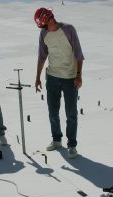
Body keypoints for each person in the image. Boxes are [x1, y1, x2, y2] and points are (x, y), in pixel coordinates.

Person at [34, 8, 84, 159]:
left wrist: (78, 75)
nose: (45, 26)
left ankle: (72, 146)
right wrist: (37, 77)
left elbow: (78, 54)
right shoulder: (43, 34)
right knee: (53, 112)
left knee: (71, 114)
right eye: (43, 25)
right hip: (52, 77)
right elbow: (42, 57)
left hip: (70, 78)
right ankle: (56, 140)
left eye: (46, 22)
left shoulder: (69, 29)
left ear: (51, 17)